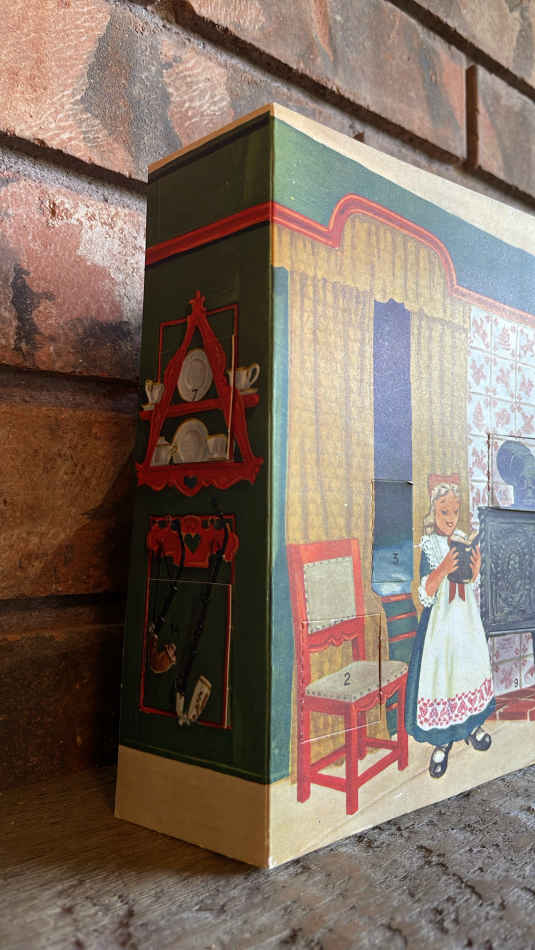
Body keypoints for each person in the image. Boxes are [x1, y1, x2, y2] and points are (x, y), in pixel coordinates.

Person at [405, 479, 495, 778]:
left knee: (468, 671)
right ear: (434, 511)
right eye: (444, 512)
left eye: (455, 512)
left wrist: (475, 570)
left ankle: (471, 726)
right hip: (441, 626)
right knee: (443, 678)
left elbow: (468, 584)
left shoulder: (461, 539)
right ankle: (442, 741)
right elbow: (426, 593)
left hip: (465, 622)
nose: (451, 518)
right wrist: (443, 567)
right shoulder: (429, 545)